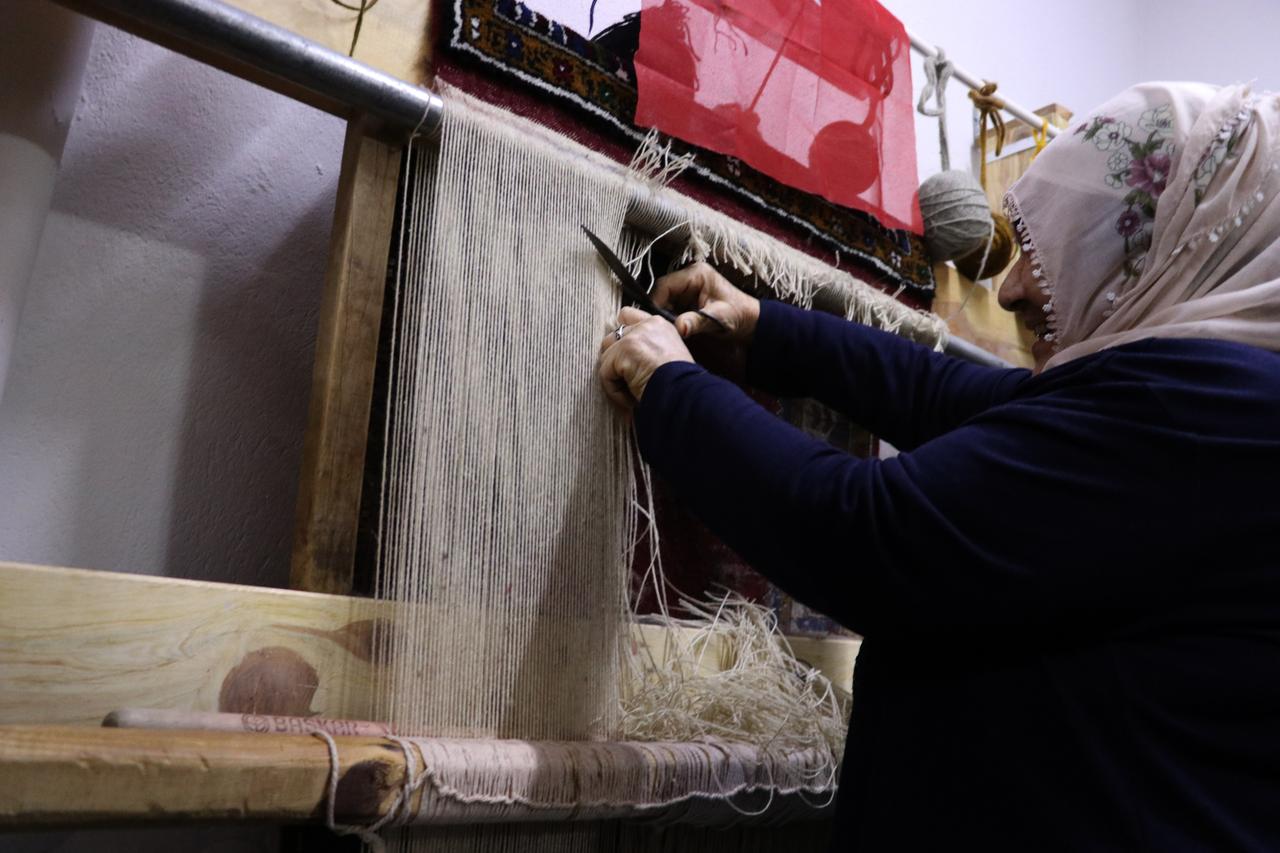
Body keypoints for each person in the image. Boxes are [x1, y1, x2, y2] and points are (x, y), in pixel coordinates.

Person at [597, 81, 1280, 850]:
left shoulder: (1200, 410)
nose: (1013, 289)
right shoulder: (1220, 396)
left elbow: (868, 535)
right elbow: (964, 398)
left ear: (1177, 246)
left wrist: (668, 384)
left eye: (1060, 250)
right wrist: (765, 330)